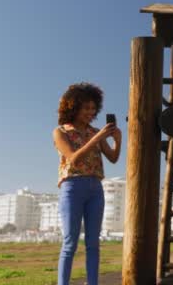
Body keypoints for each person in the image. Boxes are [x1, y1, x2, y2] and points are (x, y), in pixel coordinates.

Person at [52, 83, 121, 285]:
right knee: (70, 242)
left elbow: (113, 158)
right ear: (73, 108)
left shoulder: (95, 131)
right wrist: (98, 137)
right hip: (72, 188)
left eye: (93, 109)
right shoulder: (60, 132)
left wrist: (117, 140)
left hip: (95, 189)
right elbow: (73, 158)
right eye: (86, 109)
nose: (90, 113)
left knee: (93, 243)